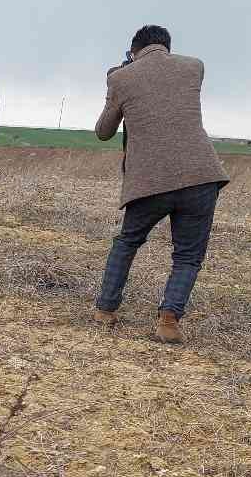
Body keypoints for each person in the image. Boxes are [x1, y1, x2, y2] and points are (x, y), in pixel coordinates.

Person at [91, 25, 229, 345]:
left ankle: (106, 310)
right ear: (167, 46)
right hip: (200, 176)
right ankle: (168, 321)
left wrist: (114, 82)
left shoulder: (121, 78)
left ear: (133, 50)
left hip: (149, 181)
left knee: (127, 242)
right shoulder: (194, 67)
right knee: (188, 256)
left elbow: (103, 131)